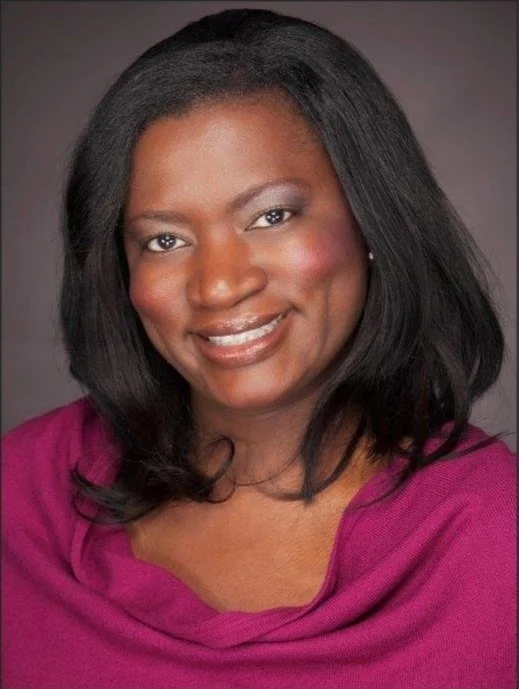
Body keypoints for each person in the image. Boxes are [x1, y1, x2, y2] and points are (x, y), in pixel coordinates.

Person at [2, 8, 515, 689]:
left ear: (371, 218)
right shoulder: (21, 496)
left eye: (271, 216)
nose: (219, 285)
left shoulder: (495, 540)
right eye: (164, 239)